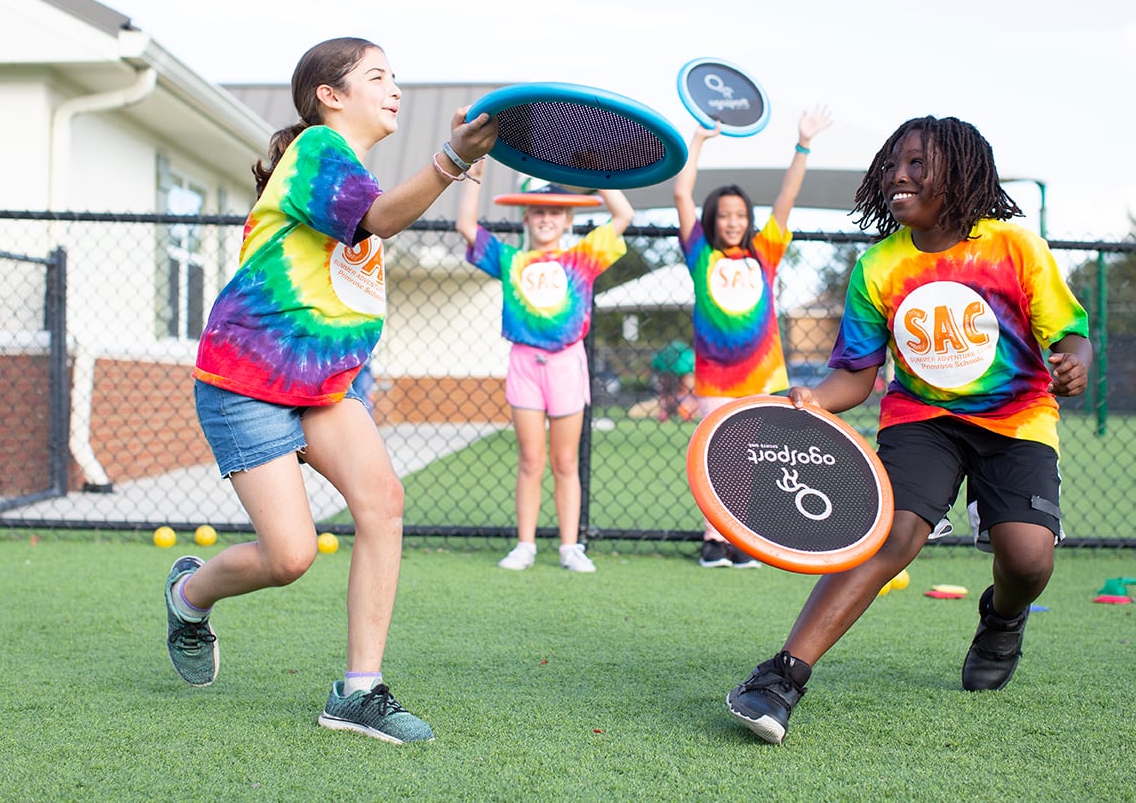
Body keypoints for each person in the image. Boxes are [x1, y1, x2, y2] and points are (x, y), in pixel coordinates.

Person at [165, 37, 497, 744]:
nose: (395, 87)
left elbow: (380, 216)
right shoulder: (316, 152)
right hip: (247, 382)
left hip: (321, 389)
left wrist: (457, 163)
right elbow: (380, 220)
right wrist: (453, 160)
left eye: (395, 76)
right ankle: (190, 596)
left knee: (384, 502)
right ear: (330, 95)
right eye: (377, 76)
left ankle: (358, 692)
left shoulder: (352, 178)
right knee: (289, 556)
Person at [725, 115, 1092, 744]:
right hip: (922, 418)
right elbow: (855, 376)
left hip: (1017, 417)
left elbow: (1071, 334)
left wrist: (1074, 364)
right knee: (890, 532)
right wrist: (813, 398)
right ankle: (780, 677)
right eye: (892, 164)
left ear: (961, 171)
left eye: (918, 164)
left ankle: (1003, 618)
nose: (899, 174)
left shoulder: (1014, 247)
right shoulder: (878, 268)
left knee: (1028, 559)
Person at [674, 108, 833, 568]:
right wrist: (698, 141)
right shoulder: (699, 253)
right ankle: (713, 540)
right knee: (715, 460)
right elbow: (681, 191)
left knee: (751, 460)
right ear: (712, 219)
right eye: (724, 215)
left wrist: (802, 143)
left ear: (749, 220)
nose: (732, 222)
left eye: (740, 215)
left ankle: (742, 538)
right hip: (714, 379)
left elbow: (787, 196)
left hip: (760, 375)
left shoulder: (764, 253)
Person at [456, 162, 634, 573]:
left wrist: (597, 172)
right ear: (526, 217)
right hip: (524, 364)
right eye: (538, 211)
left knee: (565, 461)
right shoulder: (511, 260)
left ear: (568, 218)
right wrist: (474, 174)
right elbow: (466, 225)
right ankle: (526, 545)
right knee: (531, 459)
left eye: (555, 211)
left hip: (567, 365)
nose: (547, 218)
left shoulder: (582, 257)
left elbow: (624, 216)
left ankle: (571, 547)